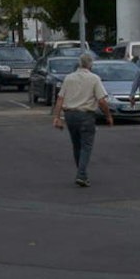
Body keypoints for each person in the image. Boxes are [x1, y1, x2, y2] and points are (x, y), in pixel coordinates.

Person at [51, 51, 114, 186]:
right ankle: (81, 174)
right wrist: (108, 116)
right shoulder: (94, 78)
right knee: (86, 146)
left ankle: (82, 173)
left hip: (70, 115)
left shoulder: (69, 78)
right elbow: (102, 101)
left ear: (79, 64)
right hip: (86, 115)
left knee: (76, 145)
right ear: (90, 65)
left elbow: (60, 98)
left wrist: (57, 117)